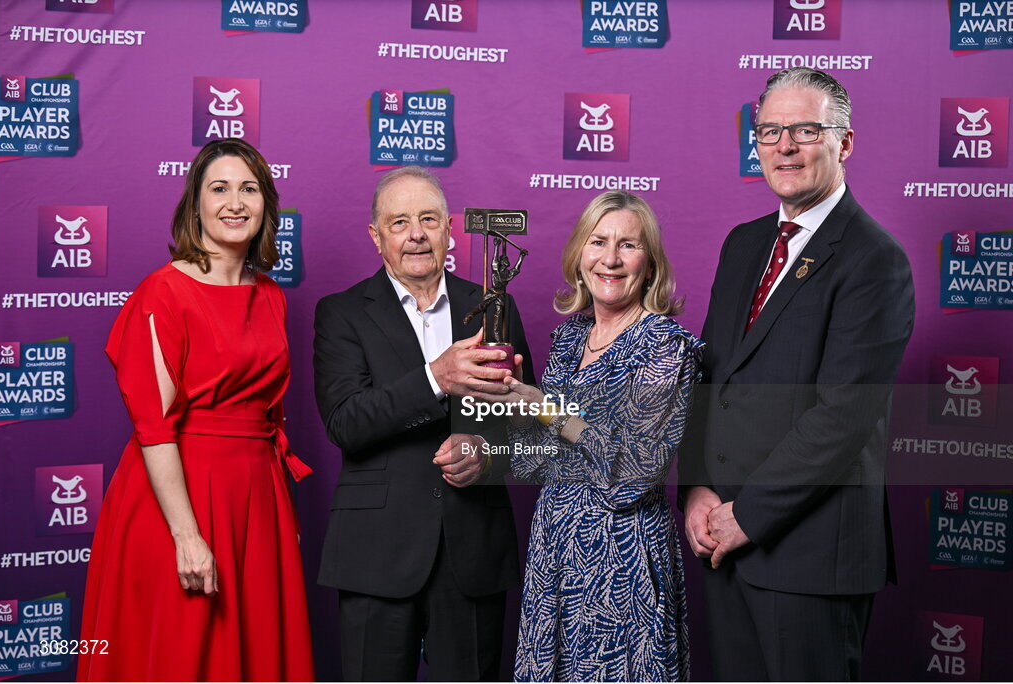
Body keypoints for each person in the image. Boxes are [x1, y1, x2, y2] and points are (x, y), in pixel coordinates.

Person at [678, 67, 915, 681]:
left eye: (805, 130)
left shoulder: (873, 260)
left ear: (846, 142)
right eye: (769, 131)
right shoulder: (742, 244)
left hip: (810, 558)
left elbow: (843, 418)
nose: (784, 146)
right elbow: (713, 380)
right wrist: (699, 488)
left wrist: (747, 516)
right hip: (723, 543)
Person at [78, 138, 314, 682]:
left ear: (265, 205)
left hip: (257, 497)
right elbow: (154, 429)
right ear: (196, 206)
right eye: (220, 188)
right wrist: (187, 536)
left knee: (254, 652)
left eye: (249, 189)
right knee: (181, 654)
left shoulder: (271, 294)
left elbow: (269, 417)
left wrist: (283, 515)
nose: (235, 202)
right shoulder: (163, 293)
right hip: (179, 498)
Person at [313, 166, 534, 681]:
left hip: (473, 548)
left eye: (428, 219)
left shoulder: (494, 308)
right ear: (376, 236)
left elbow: (526, 425)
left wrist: (485, 449)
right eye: (399, 222)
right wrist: (436, 378)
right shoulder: (342, 313)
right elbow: (346, 421)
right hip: (377, 553)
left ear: (450, 228)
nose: (415, 234)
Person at [484, 190, 703, 681]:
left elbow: (634, 474)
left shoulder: (664, 346)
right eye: (598, 241)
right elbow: (535, 464)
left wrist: (551, 413)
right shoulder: (567, 340)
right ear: (579, 255)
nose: (610, 258)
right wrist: (513, 405)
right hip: (555, 547)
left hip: (621, 555)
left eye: (628, 245)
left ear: (649, 264)